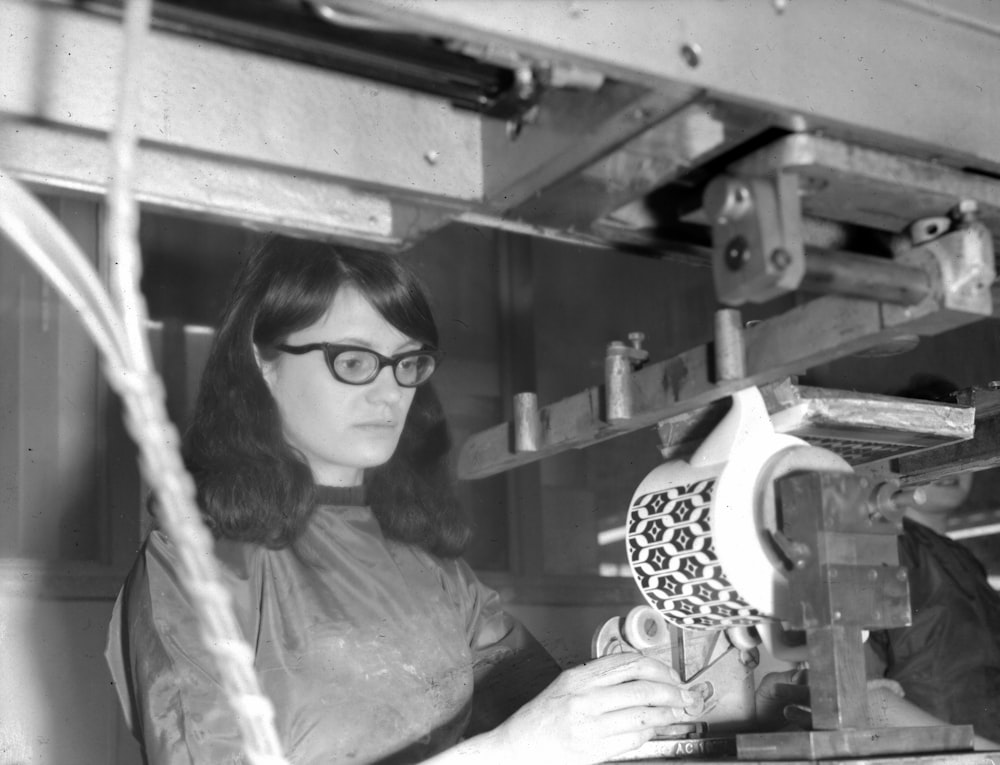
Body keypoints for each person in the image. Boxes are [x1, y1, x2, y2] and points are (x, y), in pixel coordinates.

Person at [104, 234, 693, 765]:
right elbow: (525, 741)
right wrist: (513, 752)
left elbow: (530, 697)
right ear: (264, 364)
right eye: (355, 361)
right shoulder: (192, 568)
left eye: (408, 362)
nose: (391, 392)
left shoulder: (430, 563)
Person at [863, 375, 1000, 747]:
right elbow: (864, 698)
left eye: (961, 446)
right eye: (928, 445)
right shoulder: (880, 544)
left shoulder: (965, 562)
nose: (950, 460)